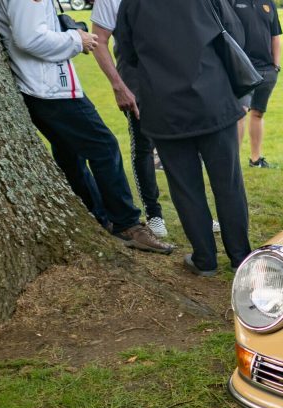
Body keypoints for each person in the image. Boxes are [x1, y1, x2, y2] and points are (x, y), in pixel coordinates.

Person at [0, 0, 173, 255]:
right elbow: (30, 38)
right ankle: (126, 224)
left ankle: (98, 216)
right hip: (48, 90)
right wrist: (77, 39)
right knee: (104, 146)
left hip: (48, 85)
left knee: (70, 154)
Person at [116, 0, 254, 275]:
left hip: (166, 103)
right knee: (227, 182)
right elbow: (232, 33)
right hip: (211, 97)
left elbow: (127, 52)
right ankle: (239, 255)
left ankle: (206, 259)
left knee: (185, 187)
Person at [89, 0, 169, 239]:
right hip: (136, 81)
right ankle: (154, 214)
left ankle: (198, 212)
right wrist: (118, 86)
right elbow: (99, 41)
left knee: (183, 146)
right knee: (144, 145)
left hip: (174, 77)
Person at [233, 0, 283, 169]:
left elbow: (275, 36)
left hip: (266, 70)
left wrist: (276, 66)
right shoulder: (233, 2)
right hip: (242, 68)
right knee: (240, 113)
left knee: (258, 113)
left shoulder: (269, 3)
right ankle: (234, 162)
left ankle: (256, 159)